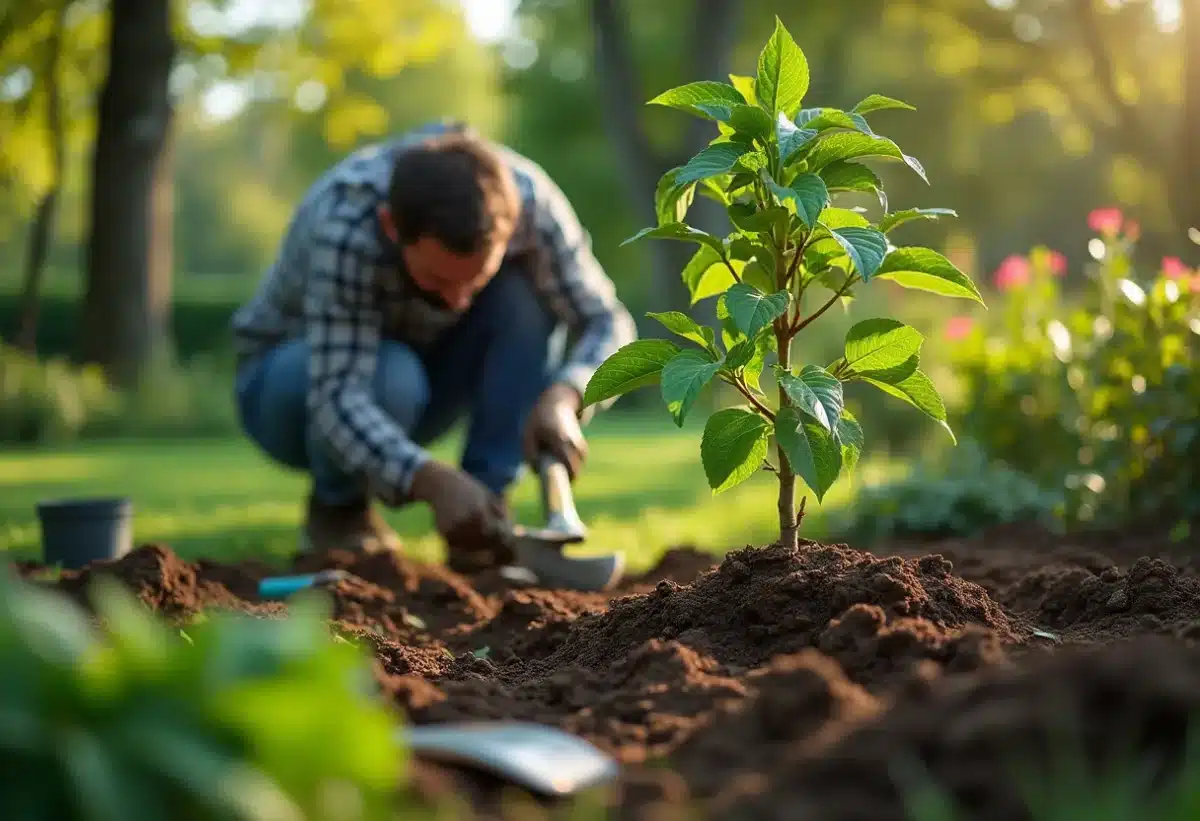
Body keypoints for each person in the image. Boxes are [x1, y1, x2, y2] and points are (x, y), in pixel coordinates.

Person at [230, 120, 636, 571]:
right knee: (393, 375)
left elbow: (607, 321)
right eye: (438, 280)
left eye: (475, 281)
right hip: (287, 390)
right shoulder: (347, 224)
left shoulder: (533, 203)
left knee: (523, 298)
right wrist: (430, 480)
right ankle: (338, 511)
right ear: (391, 226)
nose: (458, 301)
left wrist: (568, 395)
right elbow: (338, 395)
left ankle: (483, 518)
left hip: (421, 382)